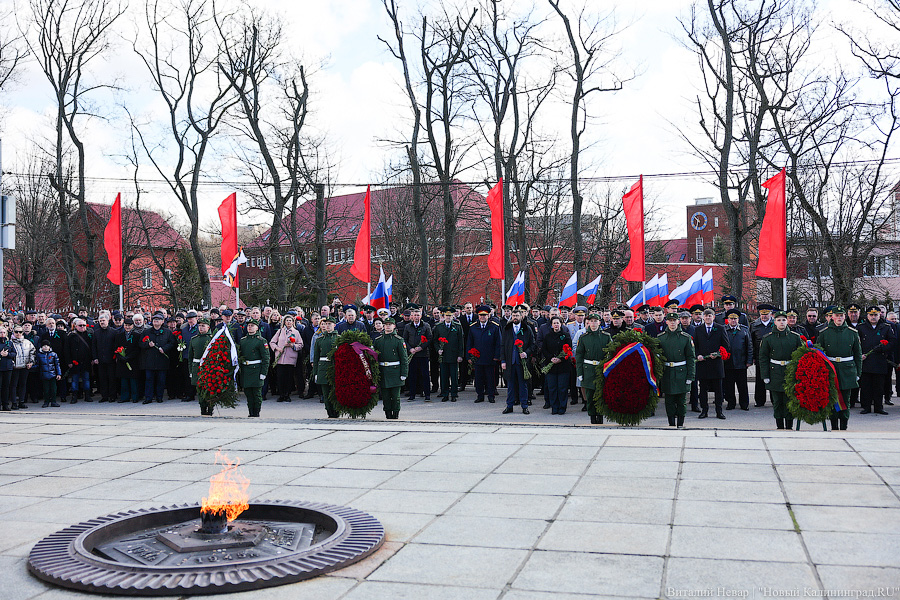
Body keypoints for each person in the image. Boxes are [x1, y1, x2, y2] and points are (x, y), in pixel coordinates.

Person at [816, 306, 861, 430]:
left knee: (845, 400)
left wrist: (858, 372)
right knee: (832, 399)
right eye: (836, 316)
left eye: (841, 316)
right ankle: (834, 426)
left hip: (847, 370)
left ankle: (844, 426)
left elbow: (857, 354)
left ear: (844, 317)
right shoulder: (824, 333)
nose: (839, 318)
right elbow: (820, 354)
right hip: (831, 370)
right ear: (832, 317)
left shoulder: (852, 333)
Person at [759, 310, 804, 429]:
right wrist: (765, 375)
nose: (782, 322)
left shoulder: (795, 337)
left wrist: (799, 374)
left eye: (784, 320)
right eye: (779, 320)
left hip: (790, 372)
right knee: (777, 401)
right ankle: (779, 426)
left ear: (787, 321)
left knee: (789, 401)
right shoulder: (768, 338)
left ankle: (789, 426)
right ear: (775, 322)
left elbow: (800, 356)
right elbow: (763, 358)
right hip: (775, 372)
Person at [657, 312, 696, 428]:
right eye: (670, 320)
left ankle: (680, 423)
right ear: (667, 322)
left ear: (678, 321)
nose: (672, 323)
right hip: (667, 372)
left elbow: (690, 358)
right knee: (669, 400)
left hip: (681, 373)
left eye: (674, 320)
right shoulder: (661, 337)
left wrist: (690, 376)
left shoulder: (685, 338)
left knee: (681, 401)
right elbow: (657, 357)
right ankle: (671, 423)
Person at [575, 312, 613, 424]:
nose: (593, 323)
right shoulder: (583, 338)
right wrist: (580, 372)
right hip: (588, 369)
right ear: (588, 323)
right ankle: (592, 416)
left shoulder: (606, 337)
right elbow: (579, 356)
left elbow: (610, 353)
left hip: (601, 369)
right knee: (590, 395)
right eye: (591, 321)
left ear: (599, 322)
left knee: (600, 394)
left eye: (595, 321)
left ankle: (600, 416)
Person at [693, 308, 730, 419]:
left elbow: (726, 345)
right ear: (703, 317)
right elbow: (695, 346)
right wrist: (697, 355)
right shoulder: (698, 329)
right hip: (703, 364)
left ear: (713, 317)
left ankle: (719, 411)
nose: (708, 318)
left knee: (718, 389)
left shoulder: (720, 328)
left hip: (716, 365)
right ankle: (704, 410)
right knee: (703, 389)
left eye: (710, 316)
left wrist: (718, 354)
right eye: (706, 316)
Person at [857, 306, 895, 415]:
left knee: (879, 387)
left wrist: (883, 348)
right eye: (871, 315)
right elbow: (855, 343)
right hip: (866, 360)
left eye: (875, 315)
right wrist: (860, 354)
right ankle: (866, 407)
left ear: (879, 315)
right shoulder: (861, 327)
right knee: (866, 386)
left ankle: (879, 407)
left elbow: (892, 342)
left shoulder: (886, 327)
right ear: (867, 316)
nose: (873, 317)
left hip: (880, 361)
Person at [373, 318, 409, 419]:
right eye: (386, 324)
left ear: (394, 326)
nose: (388, 326)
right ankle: (388, 415)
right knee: (386, 397)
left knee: (396, 397)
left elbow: (404, 358)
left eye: (390, 324)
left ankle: (395, 415)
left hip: (395, 371)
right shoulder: (378, 340)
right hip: (383, 371)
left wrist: (404, 373)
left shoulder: (398, 340)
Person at [501, 306, 534, 415]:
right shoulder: (507, 329)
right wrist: (503, 361)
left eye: (517, 315)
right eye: (513, 315)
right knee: (510, 386)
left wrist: (526, 353)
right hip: (510, 362)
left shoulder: (527, 328)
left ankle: (524, 406)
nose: (515, 317)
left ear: (521, 316)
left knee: (523, 385)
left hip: (522, 363)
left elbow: (532, 344)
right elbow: (502, 345)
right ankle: (509, 406)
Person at [466, 304, 502, 404]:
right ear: (478, 316)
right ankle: (480, 395)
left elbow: (498, 343)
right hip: (477, 358)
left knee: (490, 379)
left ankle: (491, 396)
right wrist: (469, 356)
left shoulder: (494, 327)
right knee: (479, 379)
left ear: (488, 316)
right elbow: (469, 343)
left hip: (490, 358)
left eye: (484, 315)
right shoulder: (473, 327)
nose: (482, 317)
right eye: (481, 315)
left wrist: (496, 356)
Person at [140, 313, 175, 404]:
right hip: (150, 361)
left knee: (161, 380)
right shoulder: (146, 332)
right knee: (149, 380)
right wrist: (148, 344)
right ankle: (148, 397)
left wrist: (165, 349)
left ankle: (159, 397)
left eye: (158, 320)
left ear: (162, 321)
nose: (156, 321)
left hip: (162, 360)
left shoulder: (167, 332)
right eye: (154, 320)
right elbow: (140, 344)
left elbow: (172, 343)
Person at [722, 308, 753, 411]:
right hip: (728, 362)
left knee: (742, 386)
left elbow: (749, 346)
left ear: (738, 319)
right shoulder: (724, 330)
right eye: (731, 319)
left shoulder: (744, 330)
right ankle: (731, 403)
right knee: (729, 385)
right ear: (728, 320)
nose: (733, 321)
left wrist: (749, 361)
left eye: (735, 319)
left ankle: (744, 404)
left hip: (741, 362)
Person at [541, 316, 573, 415]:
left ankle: (562, 407)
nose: (556, 325)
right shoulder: (548, 336)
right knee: (552, 387)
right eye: (554, 323)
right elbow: (544, 349)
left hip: (563, 366)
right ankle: (554, 407)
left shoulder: (566, 335)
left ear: (561, 324)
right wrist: (551, 358)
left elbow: (569, 349)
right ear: (551, 325)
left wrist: (560, 359)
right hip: (551, 365)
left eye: (558, 323)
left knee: (562, 388)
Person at [239, 319, 270, 418]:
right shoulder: (243, 340)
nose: (250, 327)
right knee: (248, 393)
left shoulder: (261, 341)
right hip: (246, 369)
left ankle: (256, 412)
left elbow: (266, 358)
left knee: (256, 393)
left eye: (252, 325)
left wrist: (263, 372)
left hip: (256, 369)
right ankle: (250, 412)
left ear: (257, 328)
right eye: (248, 326)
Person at [433, 306, 463, 402]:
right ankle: (445, 393)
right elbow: (435, 341)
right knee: (444, 376)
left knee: (454, 376)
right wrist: (438, 349)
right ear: (444, 315)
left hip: (454, 355)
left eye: (450, 315)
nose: (448, 317)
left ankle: (454, 394)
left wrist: (460, 355)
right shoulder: (439, 327)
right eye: (446, 315)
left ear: (453, 316)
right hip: (443, 355)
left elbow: (461, 342)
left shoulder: (457, 326)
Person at [403, 306, 433, 402]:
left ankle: (427, 395)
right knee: (412, 375)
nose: (416, 317)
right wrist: (410, 349)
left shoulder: (426, 326)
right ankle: (412, 395)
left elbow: (430, 338)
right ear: (412, 316)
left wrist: (422, 347)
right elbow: (404, 340)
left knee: (425, 375)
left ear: (421, 316)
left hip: (423, 354)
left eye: (418, 315)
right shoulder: (408, 327)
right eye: (414, 315)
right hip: (412, 355)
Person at [270, 315, 302, 403]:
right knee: (280, 377)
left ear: (293, 322)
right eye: (287, 320)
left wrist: (292, 345)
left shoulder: (296, 332)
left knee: (288, 377)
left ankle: (287, 395)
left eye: (290, 320)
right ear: (284, 322)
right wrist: (277, 348)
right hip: (280, 358)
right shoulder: (280, 331)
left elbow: (300, 345)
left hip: (290, 358)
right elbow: (272, 342)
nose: (288, 322)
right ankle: (281, 394)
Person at [750, 303, 776, 407]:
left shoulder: (775, 325)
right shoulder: (754, 325)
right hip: (760, 356)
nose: (764, 316)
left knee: (774, 379)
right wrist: (752, 357)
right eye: (762, 314)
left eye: (767, 314)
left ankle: (775, 400)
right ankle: (760, 400)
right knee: (760, 380)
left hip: (774, 356)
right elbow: (751, 342)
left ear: (771, 314)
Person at [313, 316, 339, 418]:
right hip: (323, 368)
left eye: (329, 324)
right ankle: (329, 412)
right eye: (325, 324)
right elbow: (316, 358)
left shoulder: (339, 338)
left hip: (335, 367)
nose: (327, 326)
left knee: (335, 393)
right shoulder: (319, 340)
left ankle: (336, 412)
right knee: (326, 393)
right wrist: (315, 373)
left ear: (334, 325)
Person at [65, 318, 94, 403]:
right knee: (75, 379)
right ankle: (74, 396)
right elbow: (67, 350)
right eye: (80, 325)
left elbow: (92, 348)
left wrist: (92, 358)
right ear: (76, 326)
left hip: (86, 361)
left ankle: (87, 395)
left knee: (86, 379)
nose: (82, 327)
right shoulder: (71, 336)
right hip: (75, 361)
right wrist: (69, 361)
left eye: (84, 325)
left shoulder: (89, 335)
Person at [92, 314, 118, 404]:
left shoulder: (114, 332)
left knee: (111, 378)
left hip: (111, 359)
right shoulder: (96, 332)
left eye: (103, 320)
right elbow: (94, 346)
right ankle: (104, 396)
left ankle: (112, 396)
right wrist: (95, 357)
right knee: (102, 378)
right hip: (100, 359)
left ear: (108, 321)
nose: (102, 322)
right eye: (100, 321)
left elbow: (116, 345)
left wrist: (116, 357)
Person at [114, 317, 141, 403]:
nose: (127, 327)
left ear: (132, 326)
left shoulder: (137, 336)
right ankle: (124, 397)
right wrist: (121, 357)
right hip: (122, 362)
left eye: (129, 325)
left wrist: (129, 357)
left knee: (133, 381)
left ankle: (135, 397)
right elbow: (115, 348)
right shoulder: (119, 336)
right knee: (124, 381)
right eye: (126, 325)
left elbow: (137, 349)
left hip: (133, 361)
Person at [10, 326, 35, 410]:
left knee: (23, 384)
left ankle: (21, 401)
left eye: (20, 332)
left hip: (25, 366)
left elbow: (33, 352)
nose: (18, 334)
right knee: (13, 385)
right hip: (15, 367)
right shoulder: (10, 342)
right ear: (13, 332)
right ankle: (14, 403)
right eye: (16, 332)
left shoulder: (27, 342)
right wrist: (12, 363)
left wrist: (31, 362)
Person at [36, 340, 61, 408]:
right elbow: (37, 365)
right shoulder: (39, 355)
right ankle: (46, 402)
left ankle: (53, 401)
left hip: (53, 375)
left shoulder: (53, 354)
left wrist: (59, 374)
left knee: (53, 389)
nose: (46, 347)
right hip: (44, 375)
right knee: (46, 390)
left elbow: (57, 365)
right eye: (44, 346)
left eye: (47, 346)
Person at [0, 327, 15, 411]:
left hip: (8, 367)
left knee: (6, 387)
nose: (2, 334)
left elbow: (14, 353)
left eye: (3, 332)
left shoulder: (9, 343)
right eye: (0, 332)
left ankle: (5, 405)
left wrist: (8, 354)